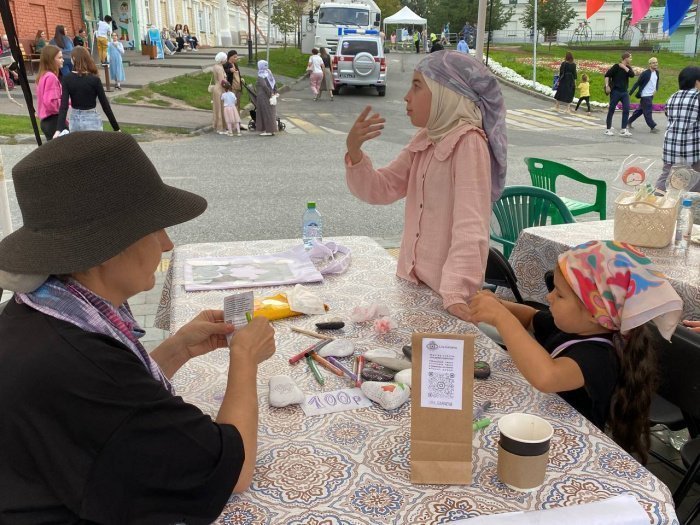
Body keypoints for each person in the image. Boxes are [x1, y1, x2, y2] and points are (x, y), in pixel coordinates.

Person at [0, 131, 276, 522]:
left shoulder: (44, 312)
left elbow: (115, 406)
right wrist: (245, 358)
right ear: (105, 248)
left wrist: (177, 348)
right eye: (154, 228)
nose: (167, 244)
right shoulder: (82, 369)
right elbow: (232, 468)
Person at [469, 240, 683, 463]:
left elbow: (547, 376)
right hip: (546, 426)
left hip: (572, 449)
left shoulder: (600, 355)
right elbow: (531, 318)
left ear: (595, 311)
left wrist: (501, 318)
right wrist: (498, 305)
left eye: (559, 295)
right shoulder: (576, 327)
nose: (549, 297)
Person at [345, 51, 507, 321]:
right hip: (414, 285)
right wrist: (355, 151)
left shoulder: (469, 142)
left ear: (445, 92)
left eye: (417, 86)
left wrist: (456, 292)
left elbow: (471, 226)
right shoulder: (427, 138)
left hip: (447, 296)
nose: (406, 96)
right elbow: (383, 187)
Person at [655, 66, 700, 193]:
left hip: (671, 146)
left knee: (666, 176)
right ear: (697, 82)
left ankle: (656, 204)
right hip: (693, 149)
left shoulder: (672, 97)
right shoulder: (698, 96)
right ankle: (692, 205)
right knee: (696, 178)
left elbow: (667, 114)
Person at [56, 46, 120, 134]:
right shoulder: (94, 79)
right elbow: (105, 105)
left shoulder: (67, 79)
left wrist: (58, 129)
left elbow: (64, 106)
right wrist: (116, 128)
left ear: (74, 58)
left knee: (78, 146)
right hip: (92, 118)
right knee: (93, 146)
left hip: (75, 119)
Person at [36, 45, 65, 141]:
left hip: (47, 121)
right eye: (60, 58)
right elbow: (51, 103)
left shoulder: (43, 75)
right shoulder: (51, 77)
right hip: (53, 120)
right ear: (51, 60)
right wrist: (66, 101)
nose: (63, 60)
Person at [604, 51, 635, 137]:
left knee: (626, 109)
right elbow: (607, 75)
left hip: (624, 92)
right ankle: (608, 129)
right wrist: (607, 86)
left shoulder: (628, 67)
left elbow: (632, 75)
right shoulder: (616, 67)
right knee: (612, 109)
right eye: (630, 57)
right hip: (615, 91)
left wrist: (624, 67)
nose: (631, 59)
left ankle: (623, 130)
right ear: (626, 58)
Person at [628, 57, 660, 133]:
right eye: (653, 63)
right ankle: (652, 127)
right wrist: (630, 93)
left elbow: (657, 82)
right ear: (650, 64)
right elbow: (637, 83)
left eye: (656, 62)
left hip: (651, 95)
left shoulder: (657, 72)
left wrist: (656, 89)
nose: (655, 64)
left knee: (640, 110)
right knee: (648, 111)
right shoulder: (645, 73)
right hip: (645, 96)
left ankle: (628, 121)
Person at [256, 59, 278, 137]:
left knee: (265, 113)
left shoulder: (261, 75)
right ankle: (272, 129)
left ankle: (268, 130)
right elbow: (274, 82)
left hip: (264, 96)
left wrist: (270, 94)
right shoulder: (269, 72)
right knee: (271, 112)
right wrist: (275, 92)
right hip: (271, 95)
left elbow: (264, 86)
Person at [211, 52, 227, 135]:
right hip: (220, 89)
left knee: (217, 107)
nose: (226, 60)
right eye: (225, 58)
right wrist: (228, 88)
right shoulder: (220, 68)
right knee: (221, 108)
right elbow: (222, 81)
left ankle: (217, 125)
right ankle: (221, 127)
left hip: (216, 88)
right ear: (222, 60)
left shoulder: (215, 66)